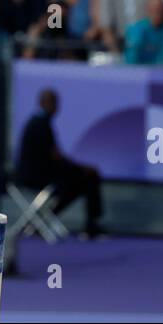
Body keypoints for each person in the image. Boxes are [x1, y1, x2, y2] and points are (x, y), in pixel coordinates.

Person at [14, 89, 103, 238]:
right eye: (52, 102)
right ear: (42, 103)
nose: (55, 107)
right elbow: (55, 156)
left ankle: (44, 219)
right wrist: (80, 169)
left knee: (81, 182)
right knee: (84, 180)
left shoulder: (41, 122)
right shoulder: (39, 124)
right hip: (35, 176)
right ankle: (46, 220)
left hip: (42, 173)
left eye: (56, 103)